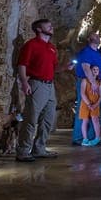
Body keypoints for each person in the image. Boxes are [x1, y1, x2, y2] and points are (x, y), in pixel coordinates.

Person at [15, 19, 58, 162]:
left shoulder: (51, 47)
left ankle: (39, 148)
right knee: (31, 118)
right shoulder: (31, 45)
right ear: (39, 29)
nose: (51, 26)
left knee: (48, 119)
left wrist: (66, 67)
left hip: (50, 86)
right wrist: (24, 83)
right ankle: (23, 150)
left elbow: (54, 68)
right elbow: (22, 65)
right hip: (37, 84)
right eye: (48, 25)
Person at [71, 32, 101, 145]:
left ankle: (91, 136)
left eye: (98, 36)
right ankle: (79, 137)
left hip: (95, 82)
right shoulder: (86, 51)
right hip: (88, 82)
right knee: (84, 109)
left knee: (93, 110)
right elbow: (86, 68)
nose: (98, 37)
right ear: (89, 39)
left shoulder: (97, 53)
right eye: (95, 36)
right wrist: (93, 82)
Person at [79, 65, 101, 146]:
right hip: (86, 103)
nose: (96, 71)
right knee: (85, 120)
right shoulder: (85, 80)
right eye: (94, 69)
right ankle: (85, 139)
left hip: (95, 104)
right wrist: (89, 104)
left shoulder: (99, 83)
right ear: (90, 71)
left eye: (97, 69)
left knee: (95, 120)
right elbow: (82, 93)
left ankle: (97, 138)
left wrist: (96, 104)